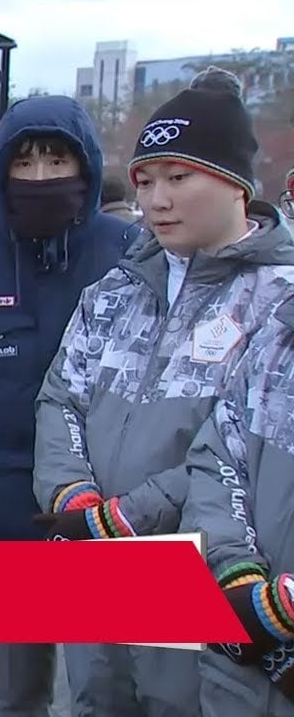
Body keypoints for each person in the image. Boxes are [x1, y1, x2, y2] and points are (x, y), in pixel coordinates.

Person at [32, 67, 294, 717]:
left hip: (205, 572)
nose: (156, 200)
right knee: (96, 698)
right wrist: (74, 497)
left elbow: (233, 451)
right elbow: (61, 399)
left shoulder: (278, 301)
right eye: (145, 181)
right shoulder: (115, 290)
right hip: (95, 563)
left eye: (178, 178)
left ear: (236, 184)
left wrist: (131, 516)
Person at [0, 94, 131, 716]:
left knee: (114, 692)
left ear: (86, 167)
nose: (41, 177)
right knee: (18, 695)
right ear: (2, 170)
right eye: (26, 162)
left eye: (57, 161)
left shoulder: (131, 254)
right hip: (6, 506)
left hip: (113, 515)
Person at [179, 294, 294, 715]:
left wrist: (282, 608)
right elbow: (219, 455)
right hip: (239, 682)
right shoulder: (279, 332)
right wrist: (238, 579)